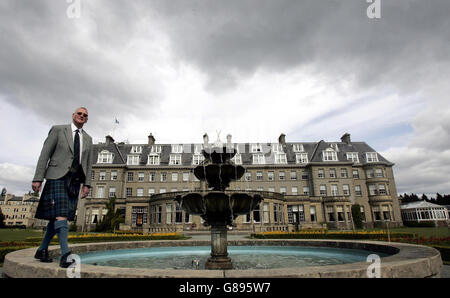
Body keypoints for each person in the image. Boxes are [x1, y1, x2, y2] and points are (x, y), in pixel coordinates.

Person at [32, 107, 93, 268]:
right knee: (61, 215)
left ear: (87, 120)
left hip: (74, 180)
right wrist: (38, 178)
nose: (82, 116)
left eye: (85, 115)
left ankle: (42, 250)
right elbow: (44, 154)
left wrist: (87, 184)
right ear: (73, 115)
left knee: (57, 217)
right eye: (79, 113)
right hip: (56, 176)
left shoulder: (88, 138)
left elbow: (88, 164)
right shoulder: (58, 130)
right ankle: (65, 254)